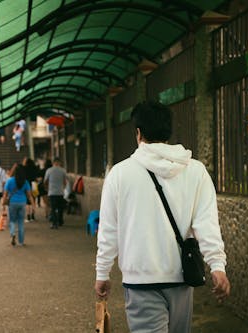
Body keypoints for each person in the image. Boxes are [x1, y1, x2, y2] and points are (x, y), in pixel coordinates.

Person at [94, 101, 230, 333]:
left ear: (138, 133)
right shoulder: (195, 171)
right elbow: (206, 224)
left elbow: (109, 230)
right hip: (182, 279)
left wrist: (102, 272)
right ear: (168, 131)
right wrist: (217, 265)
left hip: (139, 281)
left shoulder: (119, 174)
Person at [2, 164, 35, 247]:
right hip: (22, 203)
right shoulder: (25, 181)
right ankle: (21, 242)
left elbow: (5, 194)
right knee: (21, 222)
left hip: (12, 203)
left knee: (12, 220)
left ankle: (13, 233)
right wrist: (33, 205)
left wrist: (3, 204)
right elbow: (29, 195)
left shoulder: (10, 181)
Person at [44, 157, 67, 229]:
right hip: (60, 192)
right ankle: (60, 221)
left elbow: (45, 181)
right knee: (60, 208)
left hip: (52, 192)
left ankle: (54, 223)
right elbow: (65, 181)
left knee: (53, 208)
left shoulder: (49, 170)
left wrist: (47, 188)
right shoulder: (63, 170)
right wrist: (63, 188)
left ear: (53, 163)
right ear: (59, 163)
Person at [22, 157, 38, 222]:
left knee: (27, 202)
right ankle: (33, 215)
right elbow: (37, 177)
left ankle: (28, 216)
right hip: (34, 184)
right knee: (33, 200)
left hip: (26, 185)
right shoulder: (35, 168)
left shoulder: (24, 168)